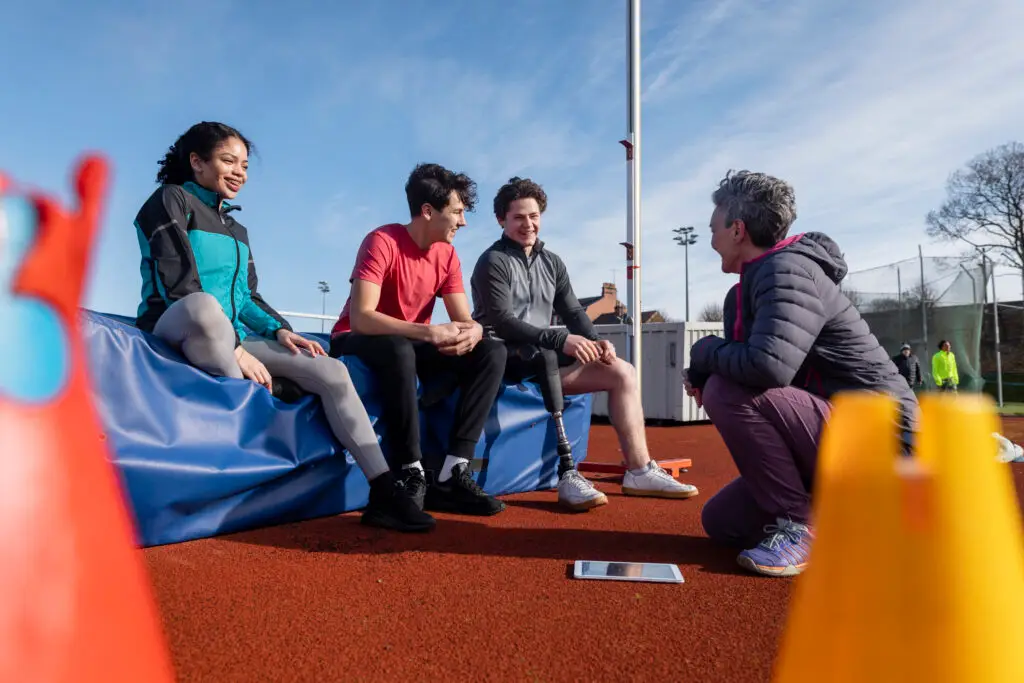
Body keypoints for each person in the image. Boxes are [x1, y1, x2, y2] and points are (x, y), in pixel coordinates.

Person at [134, 121, 434, 534]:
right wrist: (238, 349)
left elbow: (249, 297)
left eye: (243, 164)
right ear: (197, 162)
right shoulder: (170, 199)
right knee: (203, 307)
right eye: (227, 161)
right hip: (176, 324)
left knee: (330, 370)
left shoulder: (237, 229)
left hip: (229, 336)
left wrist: (279, 331)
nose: (239, 171)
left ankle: (384, 490)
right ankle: (253, 378)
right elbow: (177, 284)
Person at [684, 170, 918, 577]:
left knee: (725, 389)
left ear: (737, 229)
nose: (710, 240)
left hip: (882, 439)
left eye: (713, 229)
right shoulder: (748, 288)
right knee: (723, 522)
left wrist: (704, 354)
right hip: (840, 430)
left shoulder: (786, 271)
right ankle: (846, 520)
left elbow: (767, 366)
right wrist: (706, 367)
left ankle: (800, 525)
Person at [470, 177, 699, 512]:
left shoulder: (553, 262)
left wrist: (596, 341)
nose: (528, 224)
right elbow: (503, 321)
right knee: (547, 353)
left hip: (543, 360)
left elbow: (573, 310)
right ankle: (567, 474)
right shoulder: (492, 262)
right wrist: (561, 338)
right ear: (501, 220)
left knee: (621, 371)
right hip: (503, 363)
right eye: (518, 217)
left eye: (533, 216)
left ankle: (639, 470)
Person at [328, 163, 507, 517]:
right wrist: (428, 331)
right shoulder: (382, 241)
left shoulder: (448, 255)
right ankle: (409, 474)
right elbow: (363, 317)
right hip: (356, 337)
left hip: (409, 342)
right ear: (428, 211)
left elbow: (463, 320)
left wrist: (473, 330)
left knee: (492, 351)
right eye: (457, 212)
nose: (463, 222)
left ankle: (452, 471)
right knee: (398, 348)